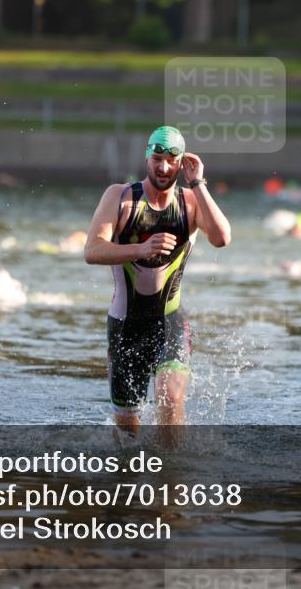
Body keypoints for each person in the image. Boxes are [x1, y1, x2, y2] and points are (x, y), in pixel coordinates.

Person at [84, 126, 231, 433]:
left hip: (170, 322)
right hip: (125, 326)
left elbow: (221, 238)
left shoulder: (190, 201)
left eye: (171, 160)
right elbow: (92, 250)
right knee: (127, 435)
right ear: (147, 158)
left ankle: (172, 477)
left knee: (171, 399)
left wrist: (199, 183)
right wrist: (141, 248)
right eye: (157, 159)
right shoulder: (120, 197)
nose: (164, 167)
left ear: (181, 164)